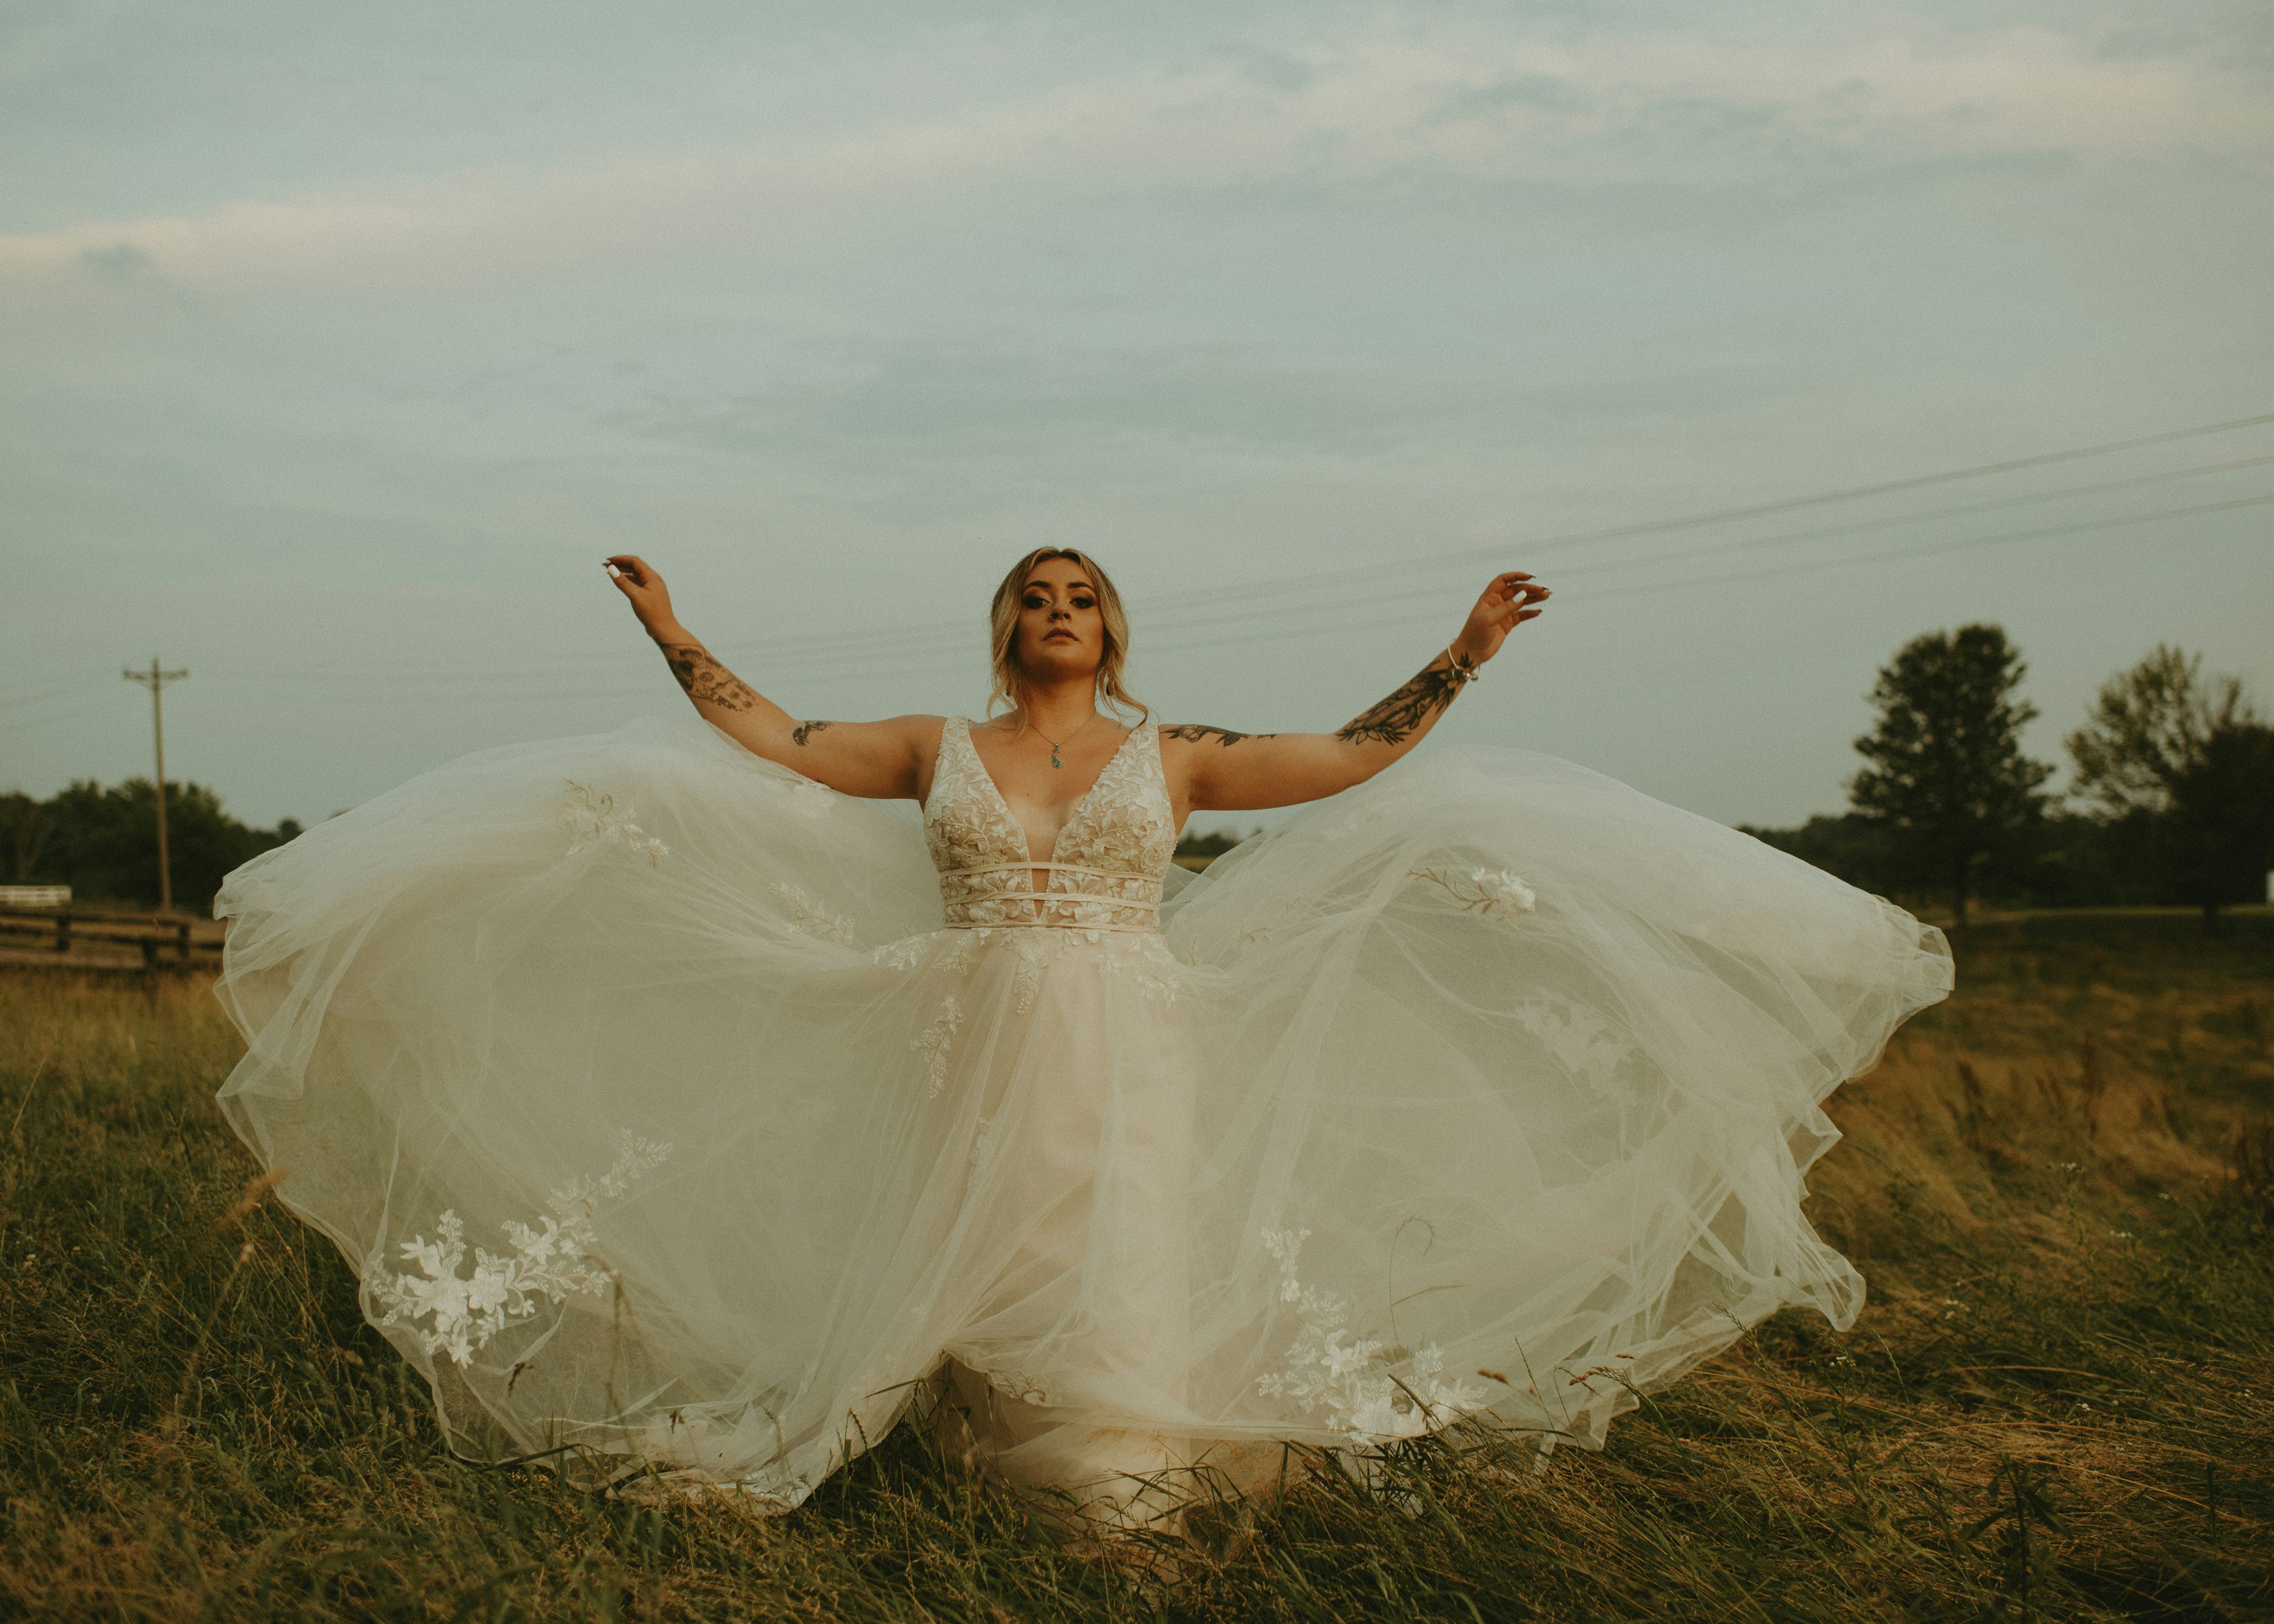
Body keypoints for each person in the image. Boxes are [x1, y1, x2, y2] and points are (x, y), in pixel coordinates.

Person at [214, 546, 1951, 1529]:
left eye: (1082, 591)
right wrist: (676, 636)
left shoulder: (1176, 752)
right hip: (976, 1024)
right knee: (979, 1230)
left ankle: (1113, 1495)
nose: (1057, 605)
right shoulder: (929, 746)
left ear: (1114, 631)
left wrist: (1464, 652)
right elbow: (777, 739)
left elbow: (1351, 762)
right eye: (1033, 591)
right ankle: (963, 1459)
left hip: (1130, 1020)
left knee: (1114, 1232)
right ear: (1007, 630)